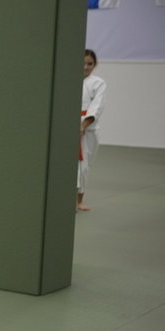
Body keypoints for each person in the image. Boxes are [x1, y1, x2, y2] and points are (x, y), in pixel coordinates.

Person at [77, 49, 106, 212]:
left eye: (90, 64)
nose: (86, 67)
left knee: (84, 166)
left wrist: (84, 124)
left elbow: (98, 106)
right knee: (75, 166)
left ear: (95, 65)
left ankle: (79, 200)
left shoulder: (98, 83)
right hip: (68, 126)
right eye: (83, 63)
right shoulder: (68, 79)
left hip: (88, 130)